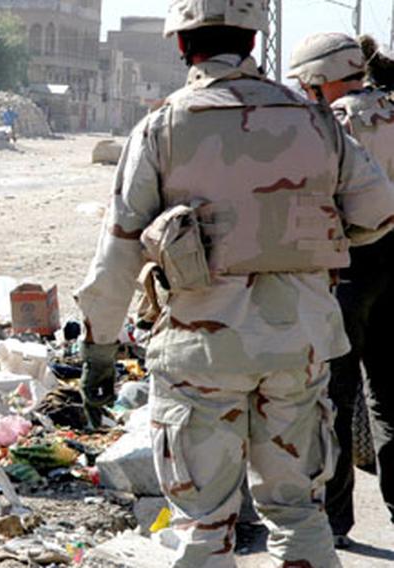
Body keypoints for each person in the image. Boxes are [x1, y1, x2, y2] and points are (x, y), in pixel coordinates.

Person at [74, 2, 394, 566]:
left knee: (206, 521)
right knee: (298, 514)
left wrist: (99, 350)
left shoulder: (162, 127)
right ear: (252, 38)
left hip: (202, 352)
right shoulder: (315, 119)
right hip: (299, 345)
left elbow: (117, 254)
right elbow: (377, 215)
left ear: (181, 46)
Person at [288, 32, 394, 549]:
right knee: (391, 403)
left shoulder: (331, 125)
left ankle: (335, 522)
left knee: (333, 400)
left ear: (323, 78)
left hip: (347, 271)